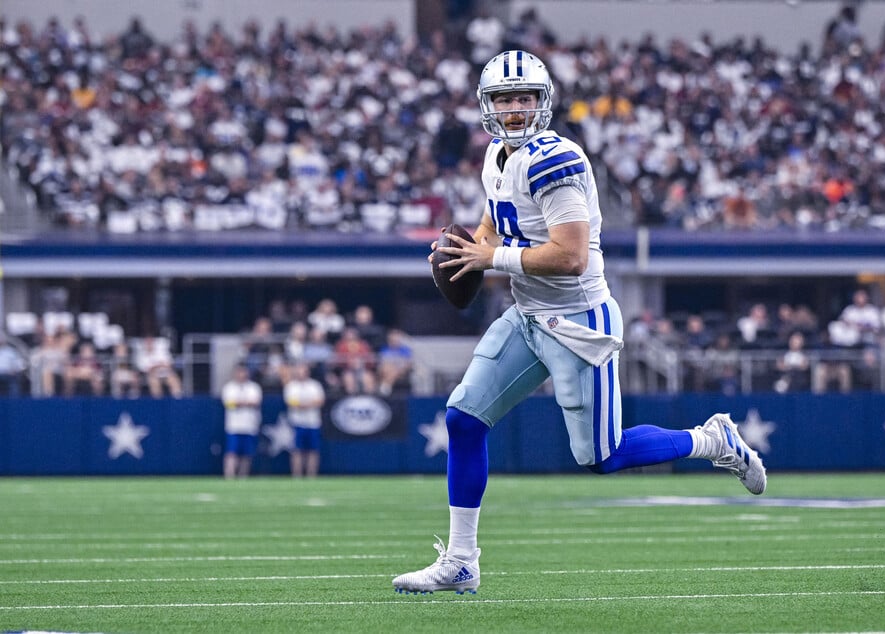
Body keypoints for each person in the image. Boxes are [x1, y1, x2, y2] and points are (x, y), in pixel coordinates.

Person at [392, 51, 767, 596]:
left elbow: (570, 257)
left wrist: (488, 260)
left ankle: (711, 440)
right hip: (527, 312)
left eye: (524, 98)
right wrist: (469, 248)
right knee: (463, 419)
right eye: (504, 99)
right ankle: (462, 561)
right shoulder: (498, 154)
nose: (515, 109)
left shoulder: (554, 160)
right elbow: (496, 221)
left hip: (576, 321)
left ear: (542, 102)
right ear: (486, 105)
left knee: (601, 456)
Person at [283, 361, 326, 477]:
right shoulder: (291, 386)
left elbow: (320, 401)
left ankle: (311, 474)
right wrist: (307, 404)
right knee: (297, 450)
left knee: (313, 450)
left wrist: (305, 404)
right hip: (297, 422)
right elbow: (291, 402)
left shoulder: (315, 385)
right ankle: (297, 474)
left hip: (313, 422)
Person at [222, 363, 263, 479]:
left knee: (247, 454)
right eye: (239, 372)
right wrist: (244, 403)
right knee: (231, 452)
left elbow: (255, 402)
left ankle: (243, 476)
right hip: (234, 426)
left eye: (243, 372)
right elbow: (229, 403)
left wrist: (239, 403)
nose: (241, 375)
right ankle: (229, 475)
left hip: (249, 425)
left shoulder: (254, 387)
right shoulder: (229, 387)